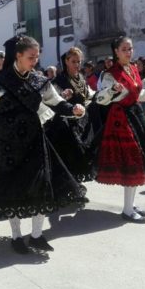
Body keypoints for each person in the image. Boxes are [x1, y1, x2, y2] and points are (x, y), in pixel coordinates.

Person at [0, 36, 86, 254]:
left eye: (37, 57)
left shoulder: (38, 80)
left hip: (34, 137)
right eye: (30, 57)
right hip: (7, 140)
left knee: (40, 183)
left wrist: (73, 109)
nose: (35, 61)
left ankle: (36, 235)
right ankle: (16, 236)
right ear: (18, 55)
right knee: (13, 186)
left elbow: (57, 102)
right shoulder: (0, 79)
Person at [96, 37, 145, 223]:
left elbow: (137, 94)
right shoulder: (110, 74)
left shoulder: (133, 68)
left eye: (130, 48)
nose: (129, 52)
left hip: (134, 116)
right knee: (131, 162)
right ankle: (127, 210)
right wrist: (112, 91)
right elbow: (101, 99)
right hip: (120, 120)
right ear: (116, 51)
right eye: (124, 49)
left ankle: (130, 204)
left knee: (139, 160)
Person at [50, 47, 99, 187]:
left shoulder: (80, 78)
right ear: (66, 61)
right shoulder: (59, 80)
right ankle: (70, 185)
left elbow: (88, 94)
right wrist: (63, 96)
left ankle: (75, 184)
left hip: (83, 121)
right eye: (73, 61)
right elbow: (53, 100)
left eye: (79, 61)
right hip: (66, 123)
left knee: (84, 154)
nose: (77, 64)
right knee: (71, 154)